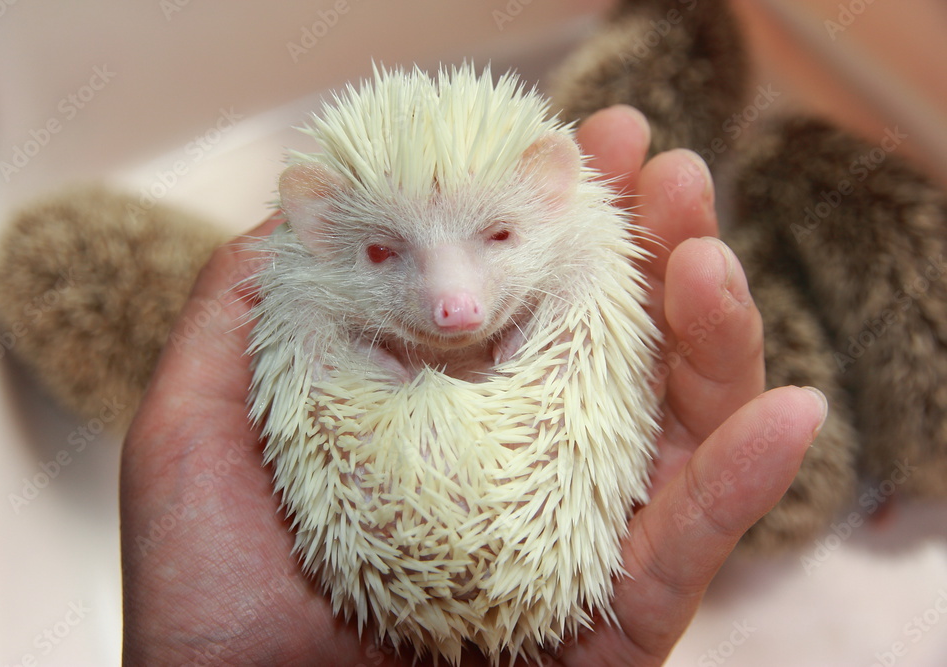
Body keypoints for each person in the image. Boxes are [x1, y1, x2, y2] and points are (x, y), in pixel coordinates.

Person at [120, 106, 827, 666]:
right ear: (316, 224)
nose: (452, 302)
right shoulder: (303, 294)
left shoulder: (581, 254)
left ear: (550, 190)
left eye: (494, 238)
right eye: (383, 251)